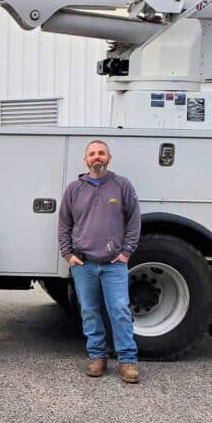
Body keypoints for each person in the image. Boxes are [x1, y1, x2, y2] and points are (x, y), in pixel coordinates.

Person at [58, 139, 142, 383]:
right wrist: (68, 254)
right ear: (86, 160)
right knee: (89, 311)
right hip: (83, 264)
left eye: (101, 153)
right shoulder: (74, 189)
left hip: (113, 264)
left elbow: (134, 221)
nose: (97, 157)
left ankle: (127, 361)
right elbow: (64, 224)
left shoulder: (121, 185)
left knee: (120, 311)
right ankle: (97, 356)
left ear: (109, 158)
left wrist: (126, 252)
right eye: (92, 154)